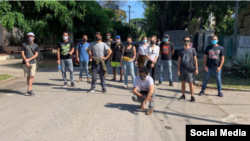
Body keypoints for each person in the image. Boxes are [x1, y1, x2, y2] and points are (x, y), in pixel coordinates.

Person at [177, 36, 198, 103]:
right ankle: (183, 95)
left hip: (190, 69)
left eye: (188, 40)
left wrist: (196, 68)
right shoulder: (181, 51)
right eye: (185, 40)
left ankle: (192, 96)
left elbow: (195, 59)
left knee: (190, 83)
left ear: (190, 41)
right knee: (183, 82)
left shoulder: (193, 50)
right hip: (182, 69)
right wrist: (178, 69)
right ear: (183, 41)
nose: (187, 42)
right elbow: (179, 60)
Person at [21, 32, 39, 96]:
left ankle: (29, 89)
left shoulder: (36, 45)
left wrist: (29, 59)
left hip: (33, 62)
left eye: (31, 36)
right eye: (29, 36)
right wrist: (26, 61)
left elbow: (36, 54)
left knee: (32, 76)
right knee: (28, 76)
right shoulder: (24, 45)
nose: (30, 38)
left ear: (33, 37)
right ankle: (29, 90)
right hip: (25, 63)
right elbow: (22, 53)